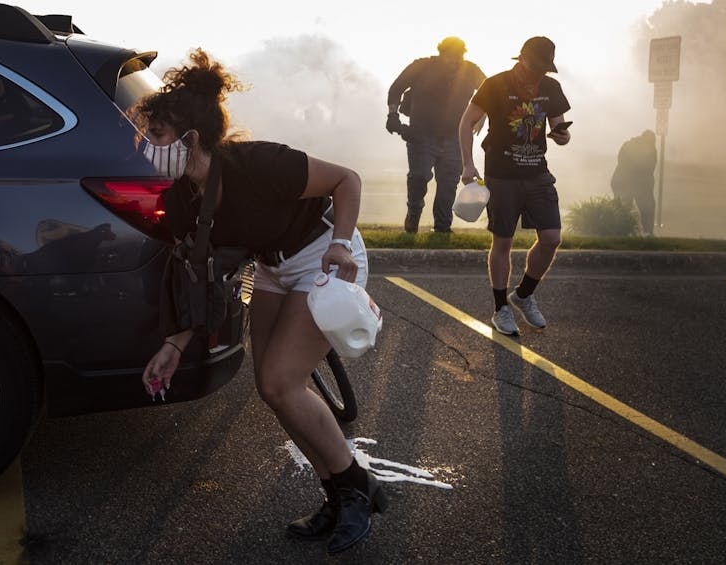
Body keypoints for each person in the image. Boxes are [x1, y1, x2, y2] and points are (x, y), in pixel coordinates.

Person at [137, 50, 387, 554]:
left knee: (282, 380)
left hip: (323, 256)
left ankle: (358, 487)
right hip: (274, 269)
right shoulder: (186, 197)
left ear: (190, 138)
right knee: (272, 390)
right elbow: (199, 278)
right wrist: (175, 344)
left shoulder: (258, 163)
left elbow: (347, 180)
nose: (147, 147)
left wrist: (340, 242)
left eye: (156, 136)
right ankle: (337, 495)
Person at [458, 36, 572, 337]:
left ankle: (523, 295)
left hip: (538, 173)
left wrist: (562, 136)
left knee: (551, 238)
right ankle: (500, 309)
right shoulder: (495, 84)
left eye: (545, 68)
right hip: (502, 175)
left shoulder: (550, 87)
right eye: (536, 66)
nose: (539, 74)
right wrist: (468, 164)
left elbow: (560, 128)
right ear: (521, 59)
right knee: (503, 243)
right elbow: (466, 123)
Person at [387, 36, 486, 233]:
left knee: (448, 184)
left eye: (458, 56)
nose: (454, 61)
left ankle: (442, 228)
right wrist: (392, 115)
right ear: (441, 53)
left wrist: (482, 115)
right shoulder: (422, 66)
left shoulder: (470, 70)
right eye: (450, 56)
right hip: (421, 134)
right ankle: (413, 215)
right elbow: (396, 88)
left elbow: (491, 91)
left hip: (456, 137)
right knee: (419, 176)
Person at [611, 130, 658, 236]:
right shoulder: (646, 148)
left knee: (625, 207)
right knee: (643, 207)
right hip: (626, 181)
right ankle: (645, 232)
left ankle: (624, 231)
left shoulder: (630, 145)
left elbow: (649, 169)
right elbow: (649, 168)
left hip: (622, 180)